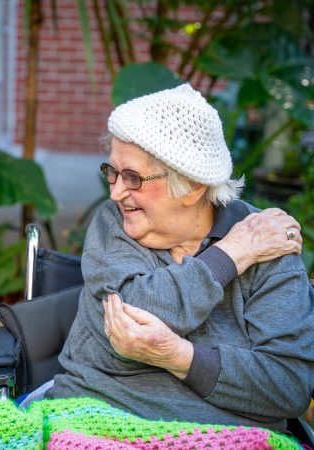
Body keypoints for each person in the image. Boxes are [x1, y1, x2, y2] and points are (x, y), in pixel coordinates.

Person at [46, 84, 314, 433]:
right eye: (112, 172)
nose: (114, 191)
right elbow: (136, 314)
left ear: (191, 185)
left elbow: (288, 387)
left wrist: (179, 357)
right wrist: (233, 253)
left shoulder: (269, 245)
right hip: (95, 419)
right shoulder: (115, 224)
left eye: (132, 177)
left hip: (227, 438)